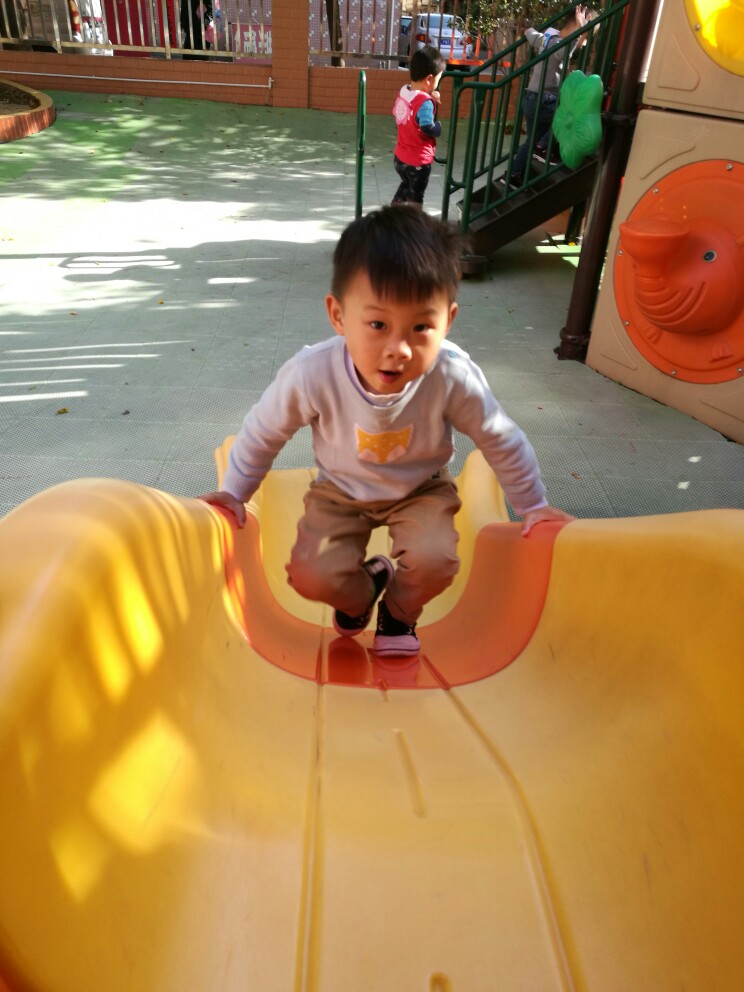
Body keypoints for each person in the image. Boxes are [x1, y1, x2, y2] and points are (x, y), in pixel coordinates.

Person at [199, 208, 574, 657]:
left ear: (448, 321)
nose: (398, 349)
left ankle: (398, 612)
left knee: (436, 561)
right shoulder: (312, 374)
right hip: (340, 490)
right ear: (338, 316)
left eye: (421, 327)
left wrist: (533, 506)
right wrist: (234, 493)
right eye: (378, 325)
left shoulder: (452, 376)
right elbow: (264, 431)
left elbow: (500, 438)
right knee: (312, 576)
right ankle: (366, 588)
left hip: (421, 489)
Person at [510, 4, 591, 185]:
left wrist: (528, 30)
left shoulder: (546, 39)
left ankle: (513, 175)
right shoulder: (558, 44)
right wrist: (580, 30)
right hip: (544, 98)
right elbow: (563, 53)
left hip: (532, 97)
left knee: (532, 139)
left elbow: (532, 35)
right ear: (575, 27)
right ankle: (543, 147)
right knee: (568, 116)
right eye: (580, 31)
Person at [391, 45, 446, 207]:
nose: (437, 84)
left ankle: (394, 211)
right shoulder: (425, 103)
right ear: (429, 79)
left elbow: (414, 105)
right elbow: (427, 126)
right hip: (417, 163)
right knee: (416, 198)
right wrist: (438, 128)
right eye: (438, 80)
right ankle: (413, 220)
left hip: (400, 159)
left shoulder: (404, 92)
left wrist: (429, 94)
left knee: (406, 185)